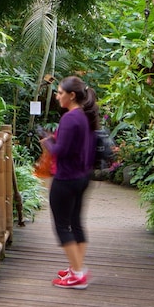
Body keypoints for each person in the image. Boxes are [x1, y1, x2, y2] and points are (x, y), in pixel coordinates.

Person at [40, 76, 98, 289]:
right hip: (82, 177)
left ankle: (77, 275)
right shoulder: (84, 117)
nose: (57, 96)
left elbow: (60, 151)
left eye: (60, 93)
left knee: (62, 226)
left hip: (66, 178)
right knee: (76, 223)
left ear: (71, 95)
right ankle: (77, 268)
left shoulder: (69, 119)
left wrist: (47, 142)